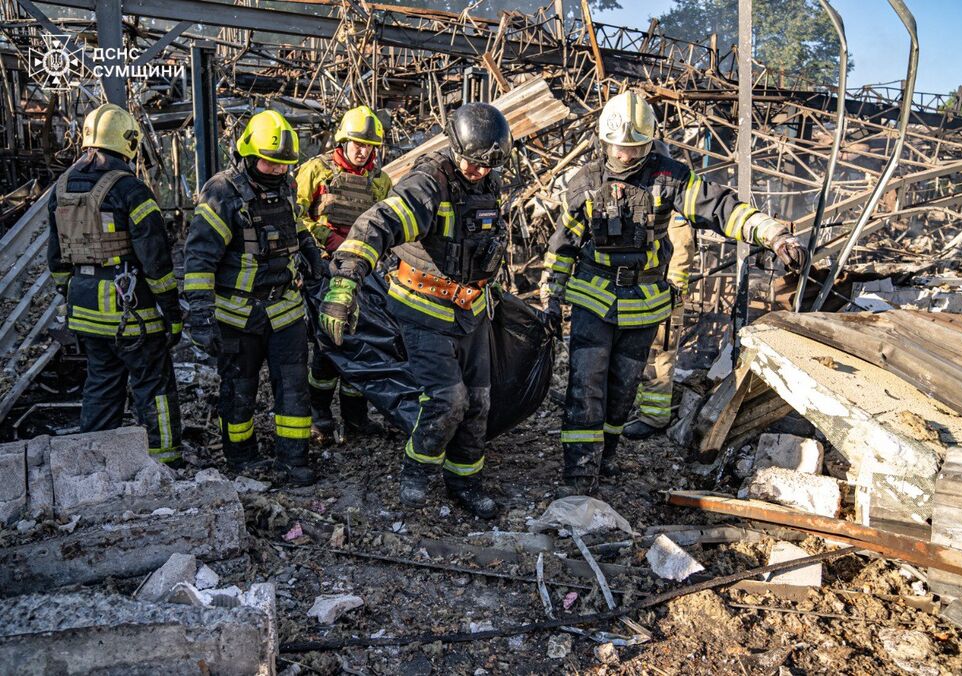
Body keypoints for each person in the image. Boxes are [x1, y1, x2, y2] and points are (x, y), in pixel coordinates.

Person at [540, 91, 806, 494]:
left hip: (643, 306)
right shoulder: (586, 183)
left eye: (636, 148)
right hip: (592, 301)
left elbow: (721, 208)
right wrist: (551, 297)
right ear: (603, 141)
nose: (626, 157)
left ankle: (606, 456)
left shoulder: (669, 176)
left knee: (622, 390)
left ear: (649, 143)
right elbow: (563, 244)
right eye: (619, 148)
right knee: (585, 386)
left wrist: (773, 233)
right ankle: (578, 474)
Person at [318, 102, 512, 518]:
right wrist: (345, 280)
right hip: (423, 307)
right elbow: (378, 223)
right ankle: (417, 473)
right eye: (473, 163)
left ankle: (465, 481)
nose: (478, 171)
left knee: (478, 402)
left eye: (487, 165)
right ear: (455, 147)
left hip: (470, 309)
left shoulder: (488, 183)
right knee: (447, 399)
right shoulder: (429, 183)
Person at [183, 110, 326, 486]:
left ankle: (293, 461)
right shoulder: (221, 193)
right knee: (239, 389)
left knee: (294, 388)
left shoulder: (285, 187)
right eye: (271, 162)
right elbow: (198, 259)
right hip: (237, 314)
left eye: (284, 164)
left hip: (285, 309)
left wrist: (311, 254)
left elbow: (296, 226)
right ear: (246, 153)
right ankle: (240, 456)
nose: (278, 170)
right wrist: (200, 315)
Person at [47, 103, 183, 464]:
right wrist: (172, 314)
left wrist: (70, 292)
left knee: (101, 386)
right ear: (129, 142)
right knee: (153, 387)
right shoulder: (131, 191)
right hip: (131, 312)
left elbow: (55, 259)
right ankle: (166, 461)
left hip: (83, 310)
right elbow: (157, 264)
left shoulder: (60, 189)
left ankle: (95, 465)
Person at [294, 105, 393, 439]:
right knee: (327, 344)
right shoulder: (315, 172)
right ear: (343, 141)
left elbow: (386, 226)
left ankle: (356, 420)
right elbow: (292, 218)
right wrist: (327, 238)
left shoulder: (381, 182)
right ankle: (319, 418)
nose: (363, 150)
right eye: (357, 143)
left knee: (360, 343)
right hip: (322, 269)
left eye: (369, 145)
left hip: (362, 272)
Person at [623, 212, 694, 439]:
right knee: (644, 357)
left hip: (664, 298)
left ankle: (655, 418)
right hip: (647, 295)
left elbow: (682, 253)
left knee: (659, 357)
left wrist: (671, 292)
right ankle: (643, 408)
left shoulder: (674, 214)